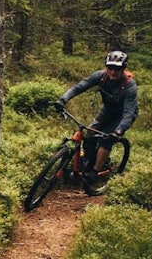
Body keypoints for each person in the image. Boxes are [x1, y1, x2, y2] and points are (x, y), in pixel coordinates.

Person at [56, 49, 138, 188]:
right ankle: (89, 163)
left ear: (123, 68)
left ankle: (95, 171)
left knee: (107, 140)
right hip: (107, 110)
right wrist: (63, 100)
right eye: (110, 67)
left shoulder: (130, 86)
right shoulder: (100, 76)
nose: (112, 72)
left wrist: (118, 131)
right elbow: (78, 88)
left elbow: (129, 113)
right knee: (90, 134)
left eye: (116, 69)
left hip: (122, 115)